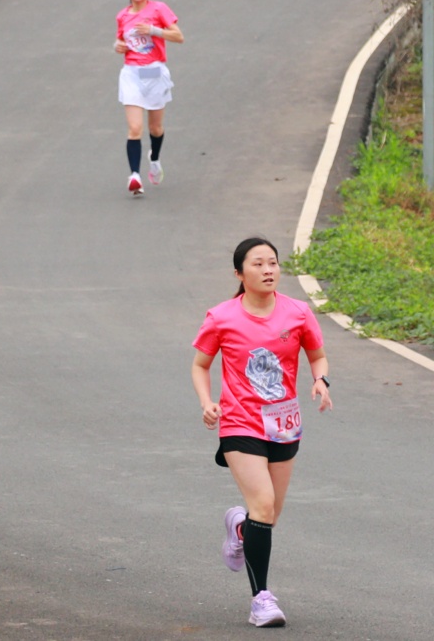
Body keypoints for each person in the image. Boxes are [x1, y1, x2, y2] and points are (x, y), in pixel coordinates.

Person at [192, 237, 331, 629]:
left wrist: (322, 381)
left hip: (284, 423)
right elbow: (200, 365)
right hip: (239, 422)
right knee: (264, 506)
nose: (268, 269)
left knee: (267, 515)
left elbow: (317, 355)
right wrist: (207, 403)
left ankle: (240, 528)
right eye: (258, 264)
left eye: (273, 262)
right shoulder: (221, 317)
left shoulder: (298, 312)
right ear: (239, 274)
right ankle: (261, 600)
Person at [115, 0, 183, 197]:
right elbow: (121, 39)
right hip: (131, 73)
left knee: (155, 127)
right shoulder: (122, 16)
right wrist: (118, 46)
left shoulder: (158, 9)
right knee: (135, 128)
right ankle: (134, 175)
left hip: (155, 72)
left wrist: (153, 30)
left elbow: (178, 36)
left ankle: (154, 158)